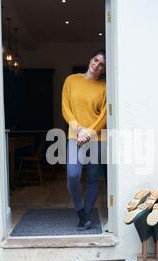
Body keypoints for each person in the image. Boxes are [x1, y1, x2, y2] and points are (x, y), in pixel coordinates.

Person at [62, 50, 107, 231]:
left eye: (101, 64)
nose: (96, 65)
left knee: (93, 179)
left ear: (103, 69)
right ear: (90, 59)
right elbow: (65, 107)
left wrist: (89, 132)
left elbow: (104, 115)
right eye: (96, 60)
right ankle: (81, 212)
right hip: (75, 136)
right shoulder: (71, 80)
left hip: (96, 138)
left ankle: (85, 216)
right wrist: (79, 129)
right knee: (73, 175)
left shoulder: (105, 87)